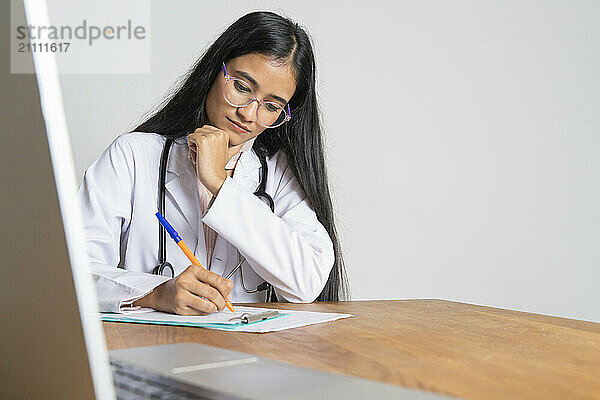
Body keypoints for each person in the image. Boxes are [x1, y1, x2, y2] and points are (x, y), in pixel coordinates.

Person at [77, 11, 348, 315]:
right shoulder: (133, 156)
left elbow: (307, 282)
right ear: (214, 71)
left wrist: (219, 184)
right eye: (242, 87)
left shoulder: (278, 173)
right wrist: (155, 293)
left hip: (245, 355)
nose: (248, 113)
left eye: (271, 106)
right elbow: (74, 271)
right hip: (152, 351)